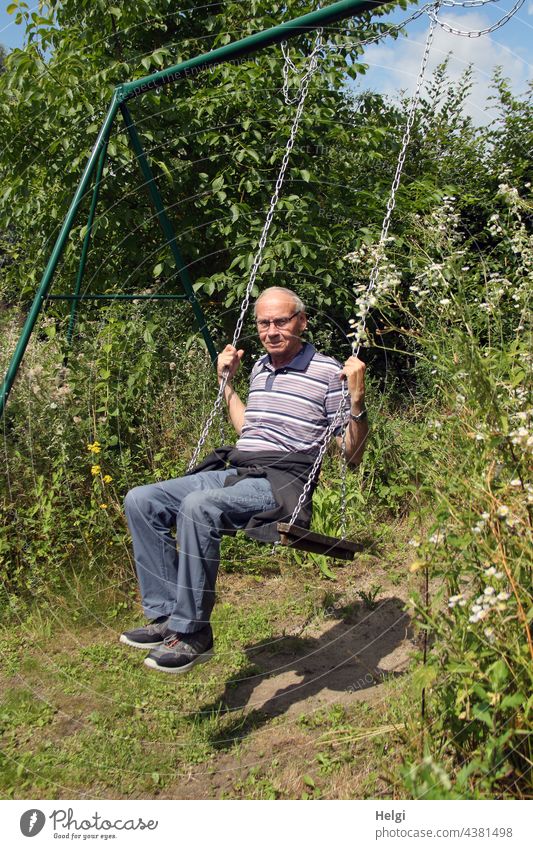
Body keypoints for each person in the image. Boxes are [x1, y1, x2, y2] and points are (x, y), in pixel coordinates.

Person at [120, 286, 368, 674]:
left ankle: (194, 634)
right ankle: (167, 616)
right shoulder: (260, 367)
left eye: (281, 321)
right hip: (238, 470)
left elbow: (351, 454)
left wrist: (356, 401)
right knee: (141, 499)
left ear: (301, 321)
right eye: (264, 323)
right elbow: (248, 429)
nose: (271, 331)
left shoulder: (327, 372)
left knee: (198, 507)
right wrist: (228, 386)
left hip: (281, 480)